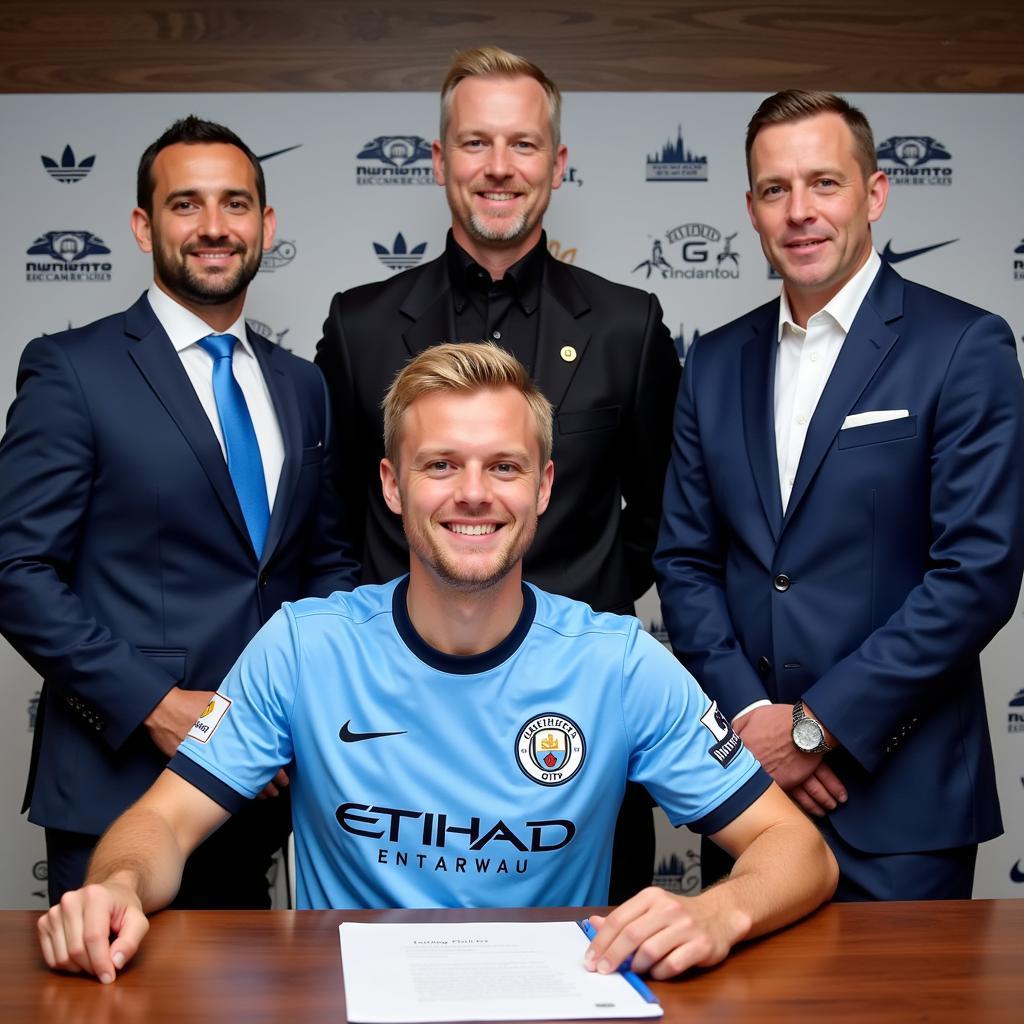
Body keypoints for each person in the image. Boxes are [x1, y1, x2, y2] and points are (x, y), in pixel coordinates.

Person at [37, 342, 837, 984]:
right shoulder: (303, 646)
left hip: (551, 1008)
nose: (474, 493)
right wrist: (116, 887)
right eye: (441, 464)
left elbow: (797, 850)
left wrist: (717, 911)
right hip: (346, 1009)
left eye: (504, 466)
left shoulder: (618, 662)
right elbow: (161, 824)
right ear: (391, 484)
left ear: (544, 486)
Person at [315, 44, 680, 902]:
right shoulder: (360, 325)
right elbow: (331, 521)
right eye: (475, 144)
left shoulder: (629, 326)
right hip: (391, 721)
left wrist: (573, 609)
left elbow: (667, 517)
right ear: (440, 161)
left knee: (596, 963)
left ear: (556, 164)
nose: (498, 168)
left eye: (522, 145)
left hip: (576, 720)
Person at [655, 90, 1024, 900]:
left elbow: (978, 573)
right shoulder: (714, 363)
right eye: (775, 190)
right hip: (754, 795)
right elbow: (684, 561)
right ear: (750, 208)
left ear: (875, 193)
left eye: (824, 183)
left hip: (901, 800)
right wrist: (756, 727)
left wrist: (818, 727)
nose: (800, 212)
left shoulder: (964, 345)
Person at [0, 116, 358, 907]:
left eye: (235, 204)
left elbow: (324, 564)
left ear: (265, 226)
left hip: (266, 787)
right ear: (142, 225)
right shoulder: (73, 370)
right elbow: (16, 571)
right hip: (119, 784)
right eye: (185, 204)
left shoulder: (302, 386)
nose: (212, 228)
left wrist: (305, 705)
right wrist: (155, 707)